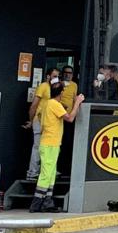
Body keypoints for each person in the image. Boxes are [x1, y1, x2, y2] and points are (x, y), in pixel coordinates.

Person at [30, 83, 84, 213]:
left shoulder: (47, 104)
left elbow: (39, 116)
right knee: (46, 173)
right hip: (50, 143)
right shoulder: (55, 105)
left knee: (51, 173)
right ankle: (36, 203)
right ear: (61, 93)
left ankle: (47, 201)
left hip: (49, 142)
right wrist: (77, 102)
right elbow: (70, 118)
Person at [24, 68, 59, 181]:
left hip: (49, 122)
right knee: (38, 146)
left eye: (57, 76)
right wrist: (31, 120)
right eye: (54, 76)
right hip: (39, 120)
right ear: (48, 76)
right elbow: (34, 105)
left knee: (48, 147)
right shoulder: (43, 87)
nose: (56, 78)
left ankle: (46, 170)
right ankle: (32, 172)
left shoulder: (55, 88)